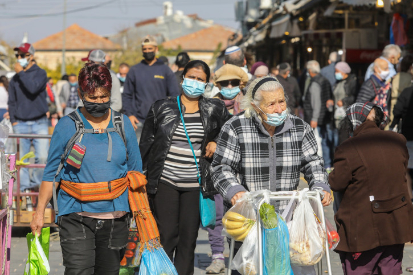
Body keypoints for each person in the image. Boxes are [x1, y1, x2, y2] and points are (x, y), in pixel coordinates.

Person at [211, 76, 331, 275]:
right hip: (249, 220)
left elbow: (313, 163)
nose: (279, 109)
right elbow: (221, 167)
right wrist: (234, 191)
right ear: (255, 106)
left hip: (289, 221)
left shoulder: (300, 128)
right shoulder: (235, 127)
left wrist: (320, 186)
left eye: (281, 101)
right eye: (271, 104)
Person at [31, 62, 143, 275]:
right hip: (75, 215)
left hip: (115, 218)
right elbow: (51, 173)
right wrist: (39, 213)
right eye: (93, 98)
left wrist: (142, 215)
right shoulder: (66, 125)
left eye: (104, 97)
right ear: (81, 94)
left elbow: (135, 172)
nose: (100, 102)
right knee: (78, 271)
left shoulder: (123, 124)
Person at [140, 60, 231, 274]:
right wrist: (140, 178)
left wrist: (216, 142)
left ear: (207, 84)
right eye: (191, 77)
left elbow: (230, 132)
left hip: (195, 184)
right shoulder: (161, 106)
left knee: (188, 240)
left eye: (200, 79)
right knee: (167, 237)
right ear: (182, 78)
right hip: (165, 182)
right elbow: (146, 144)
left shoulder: (214, 108)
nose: (195, 82)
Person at [329, 102, 413, 275]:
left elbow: (336, 183)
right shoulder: (397, 140)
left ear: (353, 122)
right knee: (391, 269)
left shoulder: (348, 148)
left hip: (362, 230)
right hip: (395, 225)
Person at [123, 35, 180, 141]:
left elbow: (174, 95)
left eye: (150, 49)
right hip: (138, 121)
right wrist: (129, 114)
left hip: (160, 121)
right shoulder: (134, 70)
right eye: (145, 49)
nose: (147, 51)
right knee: (137, 154)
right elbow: (127, 95)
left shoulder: (165, 70)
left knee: (156, 155)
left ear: (156, 49)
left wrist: (168, 116)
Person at [8, 43, 49, 192]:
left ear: (31, 56)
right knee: (22, 160)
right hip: (21, 123)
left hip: (40, 122)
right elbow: (11, 102)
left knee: (43, 157)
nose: (19, 58)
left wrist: (21, 73)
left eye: (22, 55)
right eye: (17, 56)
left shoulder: (40, 73)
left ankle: (35, 185)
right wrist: (14, 122)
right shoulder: (14, 79)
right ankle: (25, 189)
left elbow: (32, 89)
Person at [303, 60, 334, 170]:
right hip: (324, 116)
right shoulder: (325, 80)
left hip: (317, 117)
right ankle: (328, 164)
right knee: (324, 141)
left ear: (310, 70)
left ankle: (322, 164)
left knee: (317, 142)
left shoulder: (315, 82)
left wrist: (314, 118)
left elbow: (315, 102)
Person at [390, 85, 413, 205]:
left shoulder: (407, 91)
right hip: (408, 135)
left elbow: (397, 110)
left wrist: (393, 123)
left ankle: (410, 196)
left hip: (409, 135)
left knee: (407, 168)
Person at [330, 61, 357, 144]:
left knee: (343, 141)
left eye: (337, 71)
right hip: (336, 116)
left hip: (346, 116)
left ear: (343, 71)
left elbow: (355, 97)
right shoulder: (337, 82)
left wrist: (344, 101)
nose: (335, 73)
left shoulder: (352, 81)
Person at [389, 54, 413, 123]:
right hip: (403, 109)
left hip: (393, 105)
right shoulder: (409, 78)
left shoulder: (395, 76)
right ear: (410, 67)